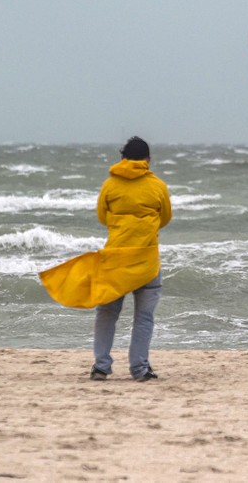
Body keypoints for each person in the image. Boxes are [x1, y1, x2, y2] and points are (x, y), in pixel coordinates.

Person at [40, 136, 172, 381]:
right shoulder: (158, 186)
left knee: (108, 313)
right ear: (148, 160)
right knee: (143, 317)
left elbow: (102, 216)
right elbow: (165, 218)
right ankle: (140, 368)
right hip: (146, 261)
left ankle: (101, 366)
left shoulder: (110, 185)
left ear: (122, 159)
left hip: (115, 260)